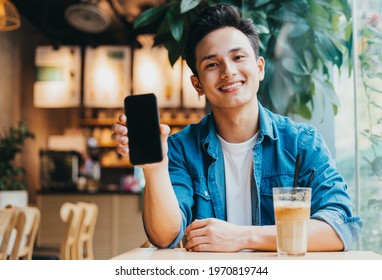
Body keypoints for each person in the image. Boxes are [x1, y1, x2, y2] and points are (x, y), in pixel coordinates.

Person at [112, 4, 362, 252]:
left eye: (238, 57)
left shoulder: (301, 143)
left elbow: (340, 227)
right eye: (212, 64)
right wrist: (155, 168)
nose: (228, 72)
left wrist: (242, 237)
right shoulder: (181, 148)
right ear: (197, 84)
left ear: (260, 67)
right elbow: (165, 236)